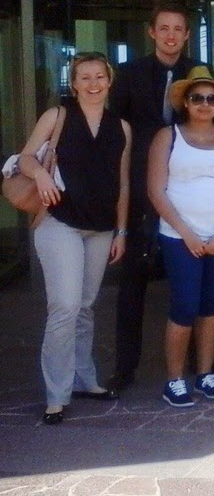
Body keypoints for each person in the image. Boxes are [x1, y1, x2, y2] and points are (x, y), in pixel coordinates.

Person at [20, 51, 131, 425]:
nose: (93, 83)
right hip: (60, 222)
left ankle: (85, 380)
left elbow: (123, 183)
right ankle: (57, 395)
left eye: (99, 76)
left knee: (85, 306)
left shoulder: (121, 127)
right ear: (74, 83)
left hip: (101, 227)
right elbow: (26, 157)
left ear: (109, 81)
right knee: (65, 306)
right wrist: (41, 175)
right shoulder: (57, 116)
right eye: (85, 77)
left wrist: (121, 230)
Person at [108, 1, 205, 391]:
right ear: (151, 32)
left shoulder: (199, 72)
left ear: (187, 35)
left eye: (177, 29)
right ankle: (125, 367)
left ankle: (202, 362)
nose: (170, 35)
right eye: (163, 28)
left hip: (187, 185)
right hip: (139, 186)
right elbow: (117, 130)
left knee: (193, 277)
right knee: (133, 281)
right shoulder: (129, 73)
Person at [148, 67, 214, 407]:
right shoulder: (168, 137)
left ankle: (205, 373)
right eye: (197, 98)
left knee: (211, 304)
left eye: (211, 98)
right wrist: (187, 233)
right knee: (185, 305)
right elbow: (156, 190)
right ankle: (175, 380)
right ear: (185, 103)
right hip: (179, 236)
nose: (205, 104)